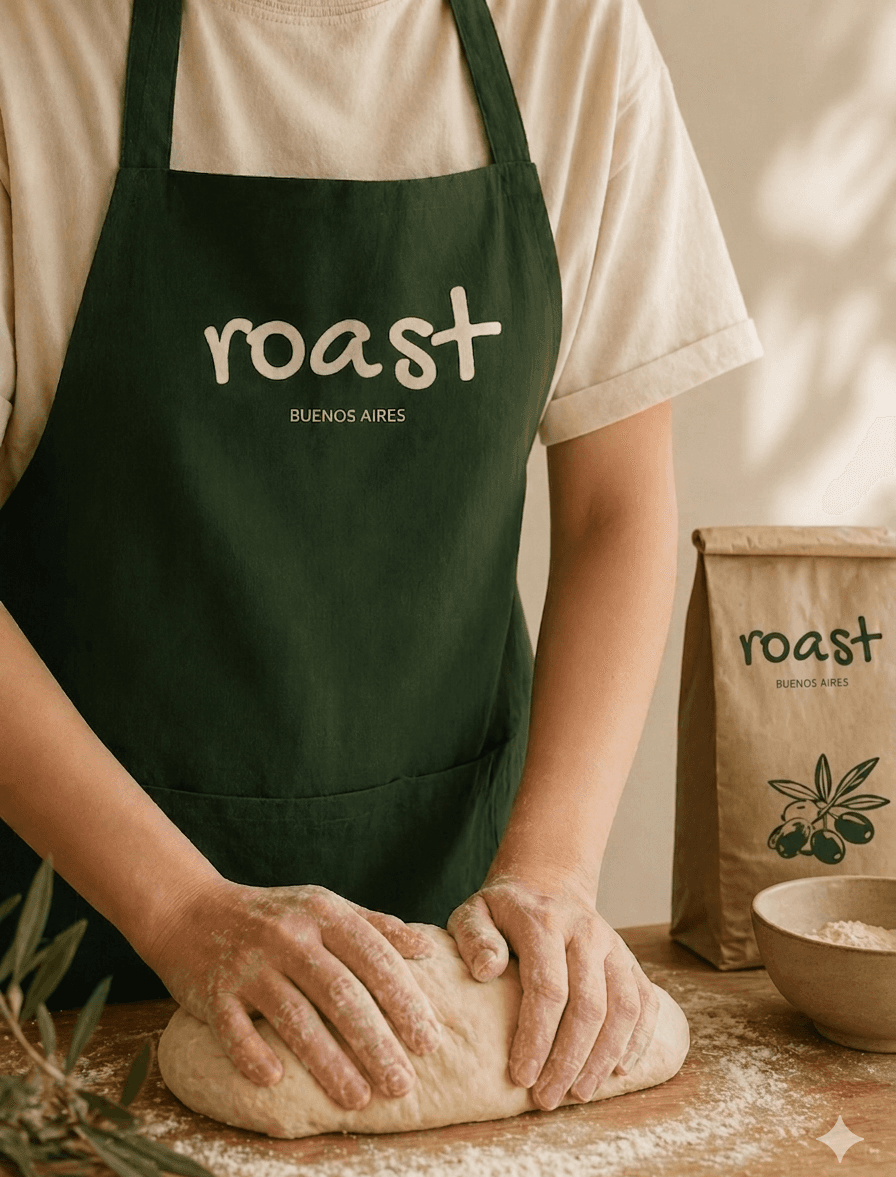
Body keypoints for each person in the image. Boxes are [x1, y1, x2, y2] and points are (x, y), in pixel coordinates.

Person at [0, 0, 761, 1116]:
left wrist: (549, 874)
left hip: (457, 961)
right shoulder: (33, 45)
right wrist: (178, 910)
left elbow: (614, 509)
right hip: (67, 968)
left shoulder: (568, 33)